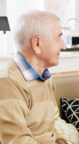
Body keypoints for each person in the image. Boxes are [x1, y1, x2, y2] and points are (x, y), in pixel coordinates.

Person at [0, 10, 68, 144]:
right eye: (58, 38)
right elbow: (17, 140)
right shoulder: (8, 81)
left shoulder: (46, 78)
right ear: (37, 44)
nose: (64, 46)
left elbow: (50, 133)